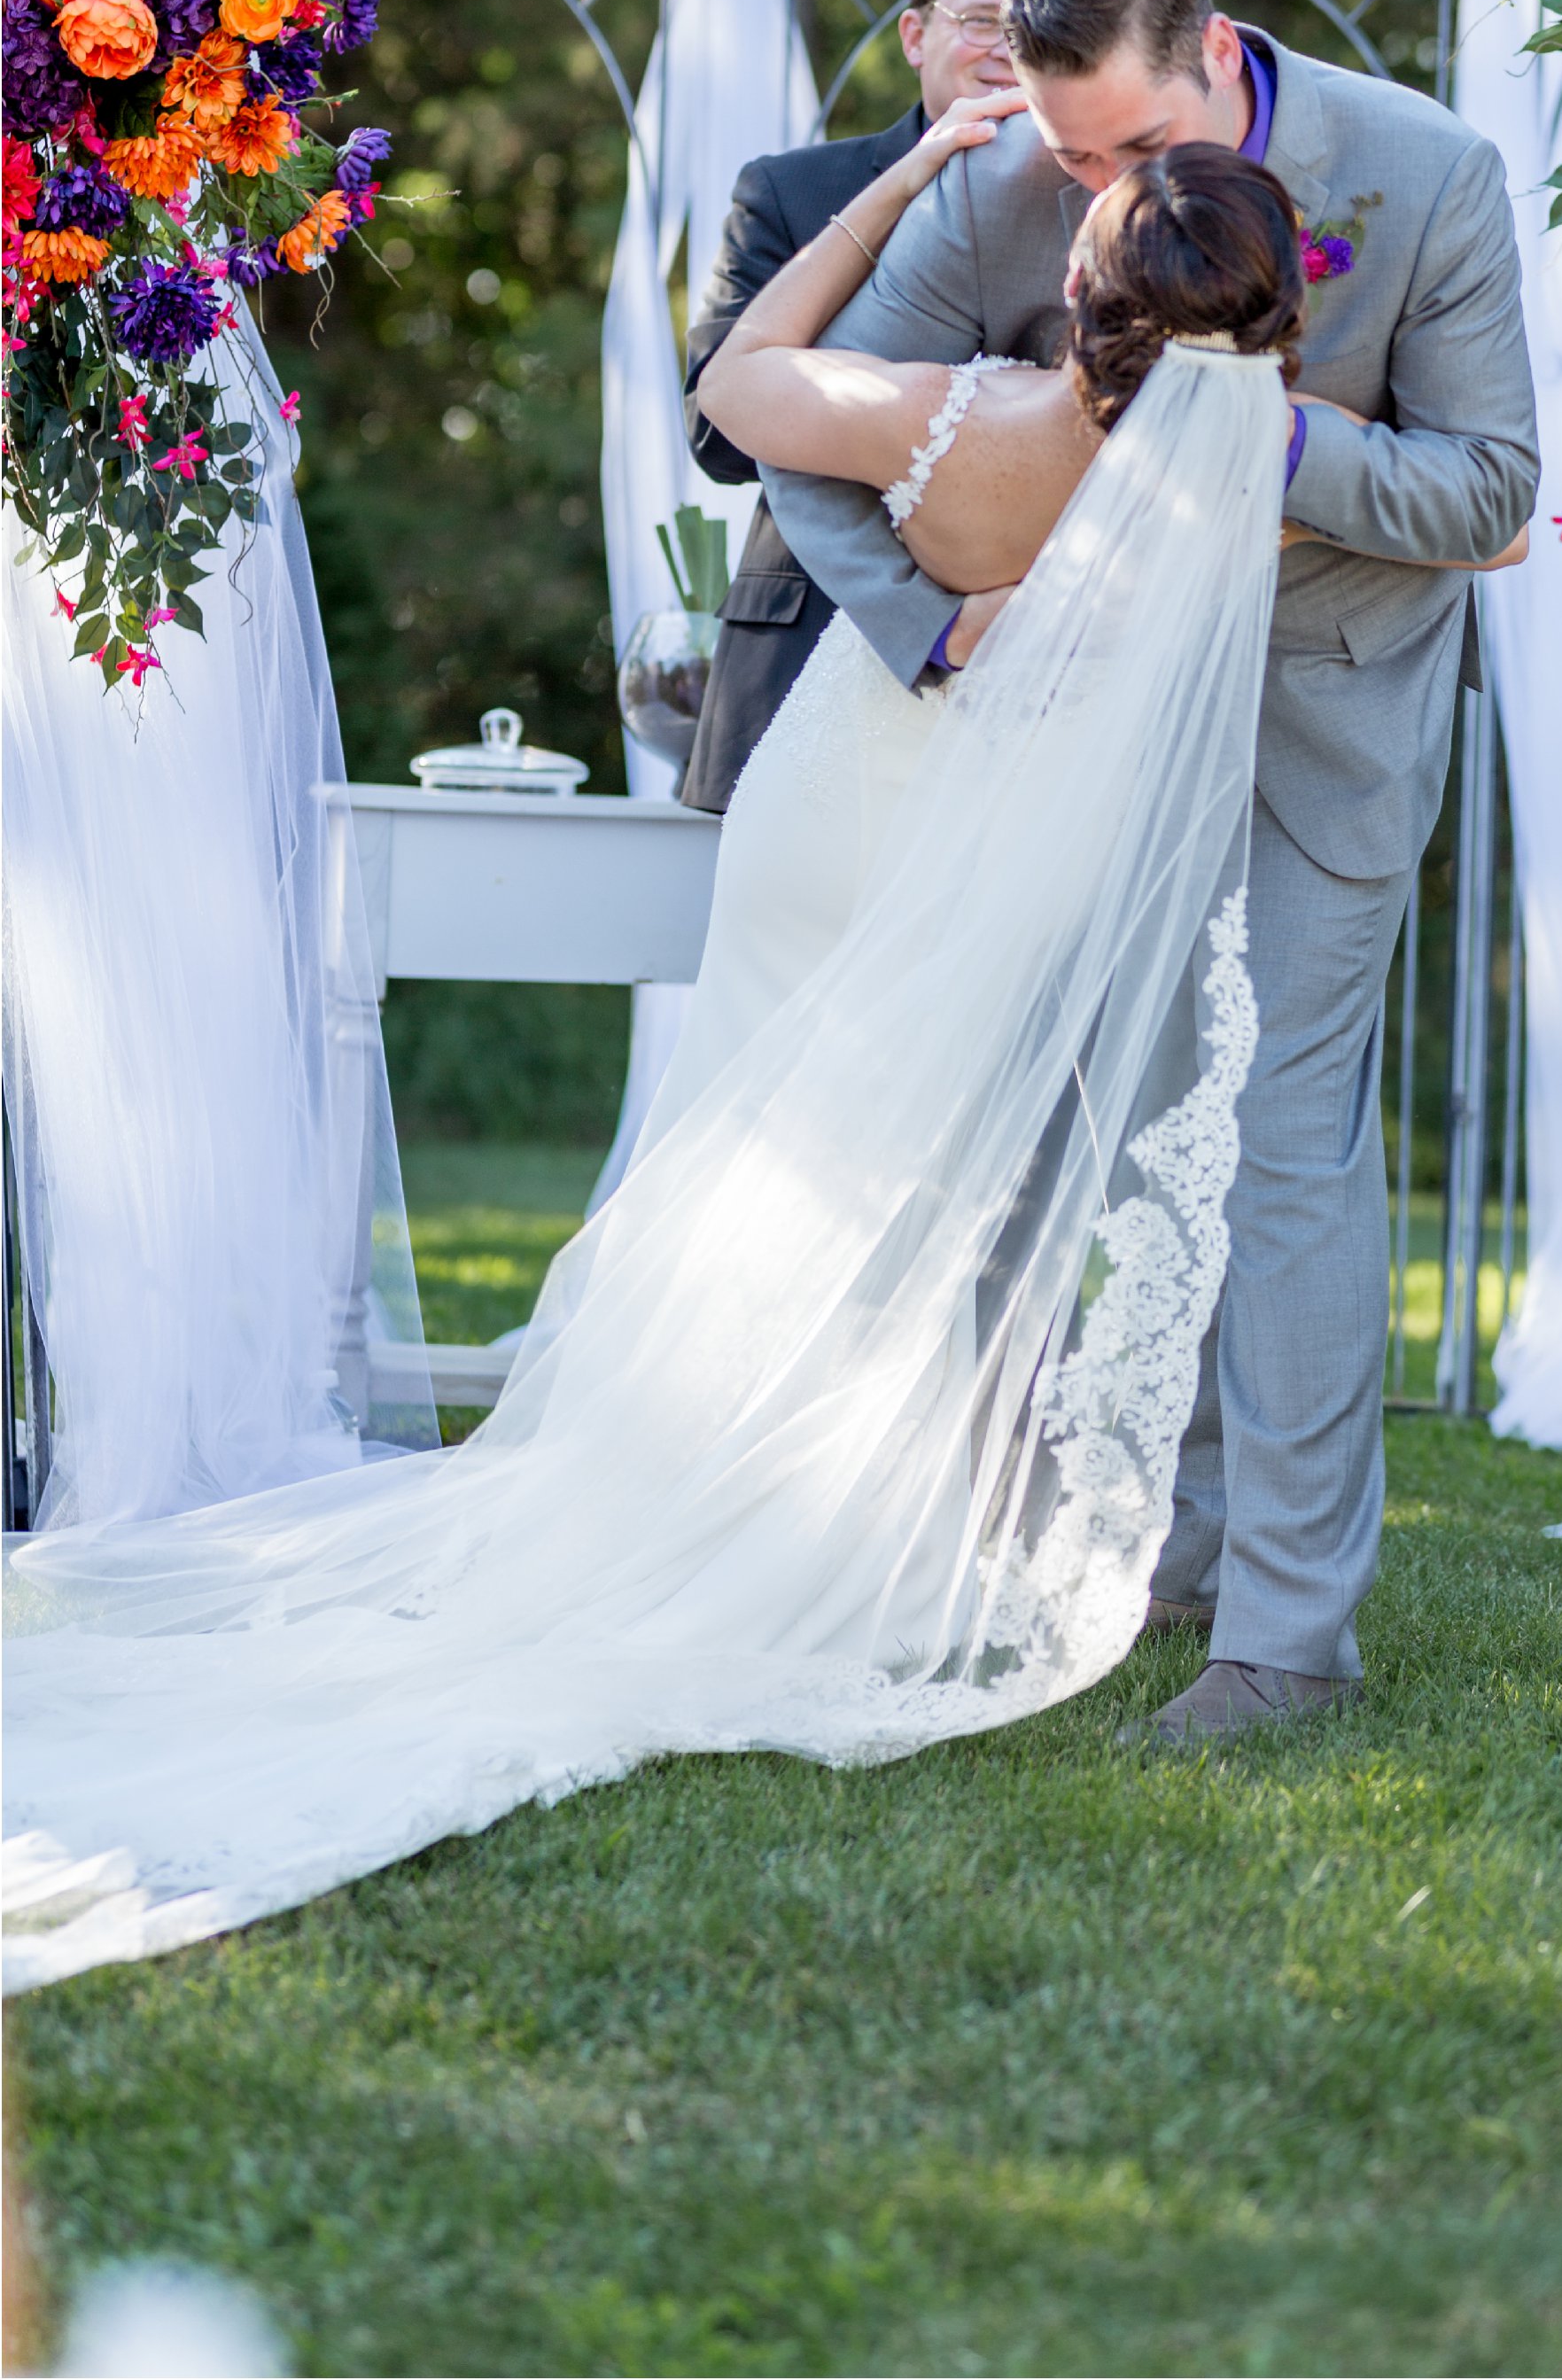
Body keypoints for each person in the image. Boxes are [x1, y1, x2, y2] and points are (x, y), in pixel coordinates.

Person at [3, 154, 1333, 1989]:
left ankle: (674, 1515)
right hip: (1000, 876)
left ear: (1095, 284)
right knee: (881, 1208)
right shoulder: (1231, 478)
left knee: (743, 1165)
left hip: (845, 817)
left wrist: (912, 182)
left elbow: (738, 384)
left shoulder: (979, 412)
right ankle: (836, 1542)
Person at [764, 0, 1539, 1745]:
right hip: (1081, 716)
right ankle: (1122, 1544)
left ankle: (1283, 1637)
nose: (1096, 187)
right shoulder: (1003, 176)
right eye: (1070, 154)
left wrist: (1246, 436)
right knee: (1081, 1126)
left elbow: (1493, 487)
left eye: (1134, 148)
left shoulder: (1425, 174)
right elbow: (808, 429)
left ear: (1218, 56)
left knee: (1277, 1140)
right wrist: (928, 620)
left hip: (1322, 714)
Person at [678, 0, 1048, 815]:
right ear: (915, 34)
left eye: (1037, 23)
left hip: (1022, 669)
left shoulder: (1105, 200)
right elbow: (717, 436)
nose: (1006, 49)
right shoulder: (790, 191)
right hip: (807, 650)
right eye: (979, 21)